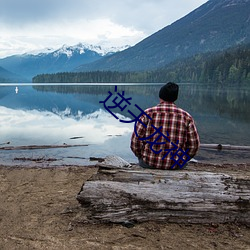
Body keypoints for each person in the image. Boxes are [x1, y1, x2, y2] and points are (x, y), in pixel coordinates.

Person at [130, 82, 200, 170]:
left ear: (160, 96)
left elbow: (135, 142)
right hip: (176, 165)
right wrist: (183, 159)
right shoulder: (186, 117)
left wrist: (141, 156)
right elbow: (194, 146)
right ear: (175, 98)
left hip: (149, 163)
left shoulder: (147, 114)